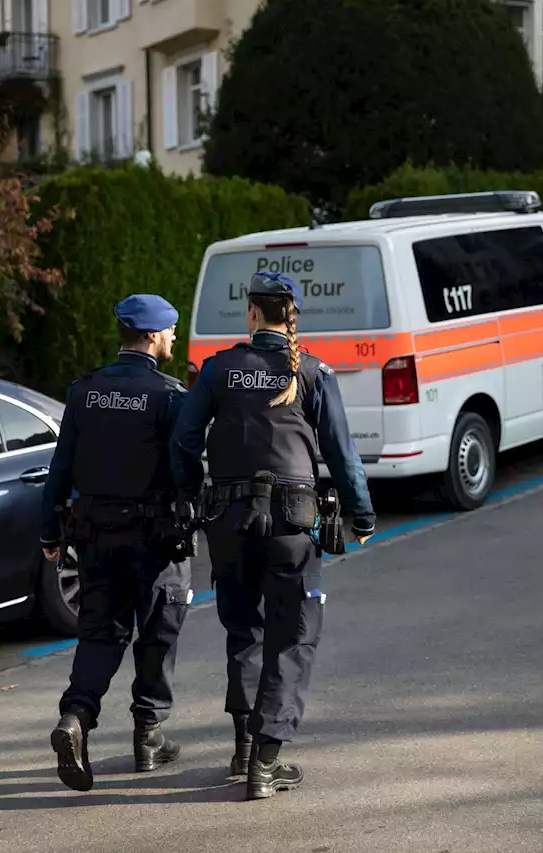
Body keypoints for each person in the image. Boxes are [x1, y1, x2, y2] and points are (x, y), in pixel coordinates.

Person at [170, 271, 376, 800]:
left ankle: (244, 746)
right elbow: (342, 454)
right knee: (292, 636)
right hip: (292, 523)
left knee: (244, 632)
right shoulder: (312, 372)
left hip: (228, 523)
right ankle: (265, 761)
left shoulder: (218, 370)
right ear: (292, 316)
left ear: (253, 314)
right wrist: (362, 516)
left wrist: (194, 491)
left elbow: (184, 440)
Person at [41, 294, 194, 792]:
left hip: (94, 537)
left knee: (100, 634)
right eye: (170, 331)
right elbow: (186, 469)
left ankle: (76, 718)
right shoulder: (168, 396)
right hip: (152, 540)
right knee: (158, 628)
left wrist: (50, 534)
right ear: (152, 336)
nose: (174, 337)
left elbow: (59, 470)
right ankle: (148, 734)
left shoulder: (85, 391)